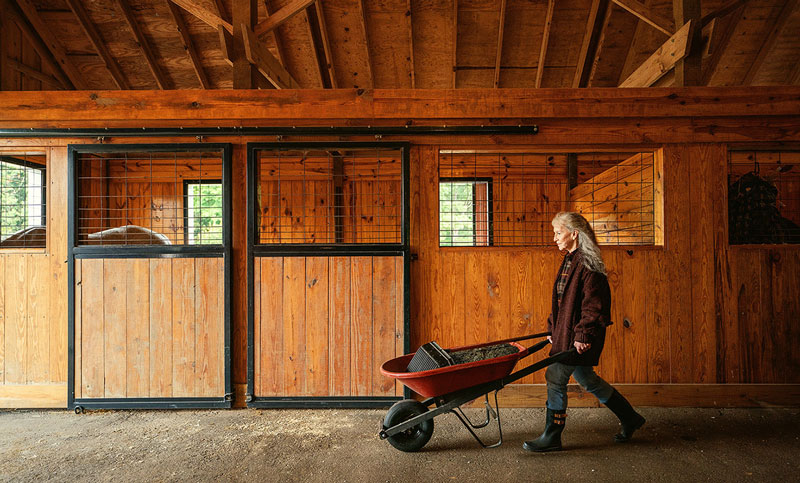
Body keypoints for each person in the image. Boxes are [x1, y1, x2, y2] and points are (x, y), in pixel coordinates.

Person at [523, 212, 645, 452]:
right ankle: (630, 417)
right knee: (586, 379)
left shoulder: (589, 264)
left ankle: (553, 435)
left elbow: (594, 306)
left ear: (574, 234)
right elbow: (562, 301)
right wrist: (553, 329)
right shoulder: (570, 259)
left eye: (559, 232)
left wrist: (584, 336)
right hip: (568, 334)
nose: (555, 237)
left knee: (555, 376)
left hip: (578, 337)